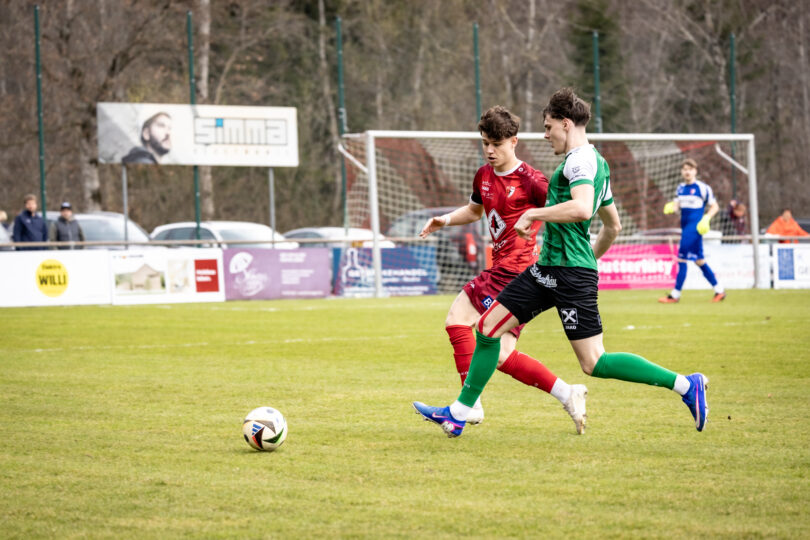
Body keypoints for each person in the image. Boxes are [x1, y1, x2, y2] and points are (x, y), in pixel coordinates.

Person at [413, 88, 709, 438]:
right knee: (487, 328)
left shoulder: (579, 162)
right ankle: (461, 412)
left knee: (594, 362)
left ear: (565, 123)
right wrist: (588, 260)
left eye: (548, 126)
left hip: (567, 273)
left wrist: (536, 218)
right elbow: (613, 226)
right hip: (548, 269)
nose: (545, 134)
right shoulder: (595, 162)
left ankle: (686, 385)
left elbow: (582, 208)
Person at [417, 105, 588, 434]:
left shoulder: (533, 181)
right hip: (501, 270)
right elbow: (474, 210)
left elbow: (566, 212)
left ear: (514, 142)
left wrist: (562, 250)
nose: (490, 150)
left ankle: (468, 407)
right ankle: (567, 393)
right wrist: (445, 220)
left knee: (458, 319)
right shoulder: (483, 175)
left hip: (516, 272)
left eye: (496, 144)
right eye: (485, 143)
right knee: (502, 354)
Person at [658, 158, 726, 303]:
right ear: (681, 172)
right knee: (699, 261)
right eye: (685, 169)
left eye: (690, 169)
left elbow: (715, 206)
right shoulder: (680, 188)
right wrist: (670, 207)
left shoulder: (703, 188)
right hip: (685, 228)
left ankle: (675, 295)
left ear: (695, 171)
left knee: (682, 259)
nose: (687, 172)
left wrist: (706, 218)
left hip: (694, 229)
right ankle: (719, 290)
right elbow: (676, 206)